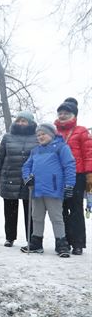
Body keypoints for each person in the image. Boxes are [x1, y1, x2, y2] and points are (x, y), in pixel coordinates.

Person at [21, 123, 76, 257]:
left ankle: (61, 243)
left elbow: (69, 166)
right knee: (37, 217)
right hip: (37, 190)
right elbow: (26, 166)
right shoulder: (35, 151)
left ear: (51, 134)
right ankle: (36, 242)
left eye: (43, 134)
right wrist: (27, 178)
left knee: (56, 217)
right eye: (38, 135)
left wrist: (69, 184)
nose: (40, 137)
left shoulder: (61, 148)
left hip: (54, 189)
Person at [0, 111, 38, 247]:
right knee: (10, 210)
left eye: (24, 121)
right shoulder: (7, 137)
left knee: (30, 210)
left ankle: (31, 237)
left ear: (30, 123)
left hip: (29, 178)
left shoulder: (37, 137)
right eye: (19, 120)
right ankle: (10, 237)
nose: (21, 123)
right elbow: (0, 157)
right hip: (9, 177)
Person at [53, 98, 92, 255]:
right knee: (60, 209)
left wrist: (89, 174)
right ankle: (64, 240)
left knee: (75, 209)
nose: (62, 116)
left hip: (77, 175)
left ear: (73, 115)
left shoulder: (81, 131)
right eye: (60, 113)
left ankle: (78, 243)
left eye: (66, 113)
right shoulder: (54, 133)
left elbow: (89, 153)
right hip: (58, 176)